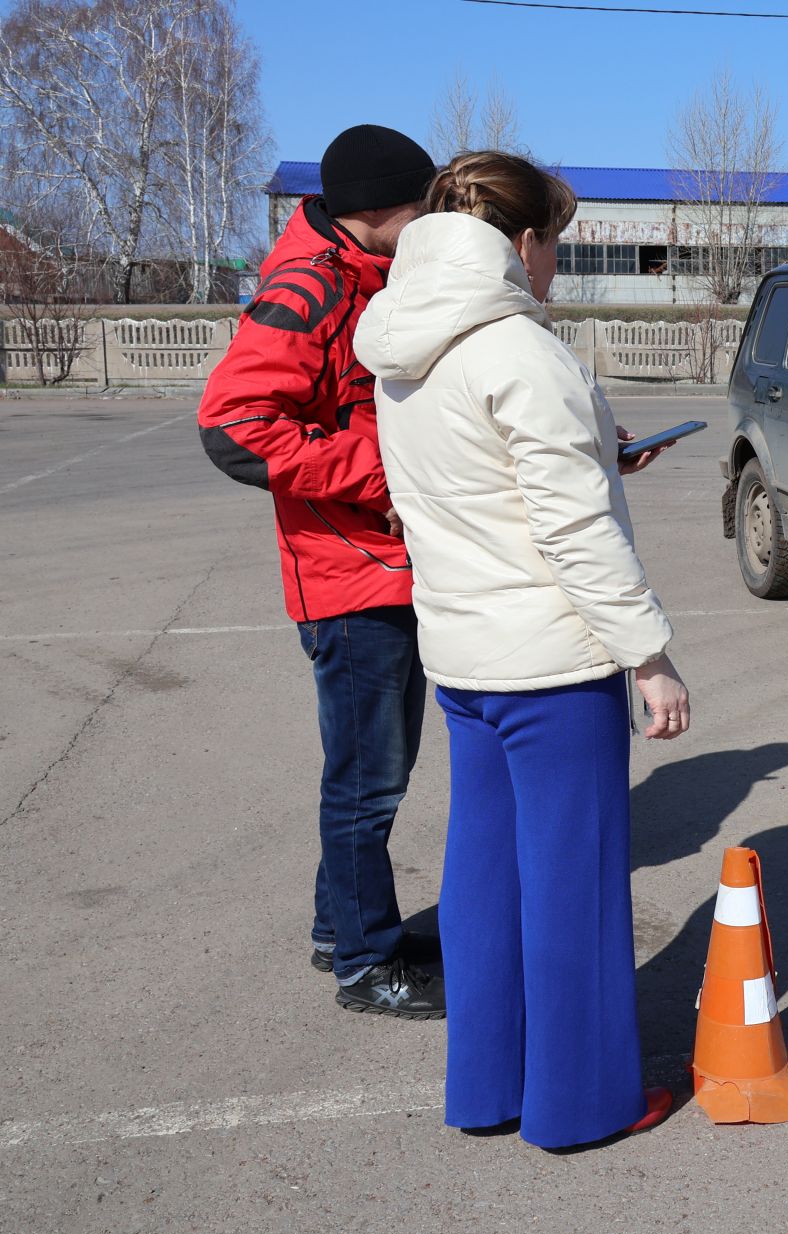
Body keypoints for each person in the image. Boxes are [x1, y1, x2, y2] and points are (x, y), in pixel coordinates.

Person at [354, 150, 687, 1149]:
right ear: (522, 239)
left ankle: (487, 1085)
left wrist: (599, 444)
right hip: (549, 660)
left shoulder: (404, 341)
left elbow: (472, 478)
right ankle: (584, 1101)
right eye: (556, 244)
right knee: (572, 886)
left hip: (461, 652)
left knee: (484, 877)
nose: (554, 267)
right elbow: (574, 534)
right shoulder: (520, 351)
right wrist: (650, 655)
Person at [198, 124, 444, 1018]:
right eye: (423, 206)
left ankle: (342, 930)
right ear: (378, 211)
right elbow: (231, 428)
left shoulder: (368, 272)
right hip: (348, 579)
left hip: (379, 565)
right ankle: (366, 968)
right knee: (367, 783)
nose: (433, 223)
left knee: (369, 775)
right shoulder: (309, 287)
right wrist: (379, 478)